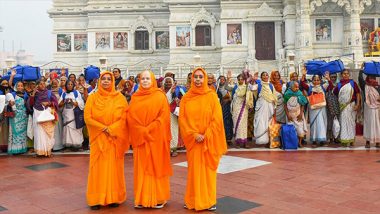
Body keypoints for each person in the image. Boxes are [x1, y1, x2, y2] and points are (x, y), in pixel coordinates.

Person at [179, 67, 227, 211]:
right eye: (196, 77)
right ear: (192, 79)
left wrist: (206, 134)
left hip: (208, 140)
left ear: (205, 79)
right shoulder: (186, 98)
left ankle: (208, 200)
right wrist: (194, 134)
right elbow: (183, 119)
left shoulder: (211, 96)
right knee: (194, 172)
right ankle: (193, 200)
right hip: (193, 141)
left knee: (207, 172)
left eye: (200, 77)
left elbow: (217, 118)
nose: (198, 80)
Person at [127, 70, 172, 209]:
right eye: (142, 79)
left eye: (148, 78)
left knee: (155, 166)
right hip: (141, 139)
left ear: (153, 80)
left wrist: (149, 128)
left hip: (155, 138)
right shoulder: (135, 97)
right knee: (142, 168)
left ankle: (158, 197)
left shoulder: (160, 96)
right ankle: (142, 198)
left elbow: (163, 116)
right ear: (139, 81)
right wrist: (141, 130)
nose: (145, 81)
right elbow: (131, 117)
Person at [85, 71, 128, 210]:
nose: (106, 81)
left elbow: (124, 118)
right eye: (103, 79)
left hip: (113, 138)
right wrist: (103, 128)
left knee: (113, 168)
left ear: (113, 81)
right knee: (97, 168)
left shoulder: (119, 98)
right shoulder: (92, 98)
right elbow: (88, 117)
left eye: (109, 79)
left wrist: (112, 129)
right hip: (99, 138)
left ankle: (113, 197)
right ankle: (96, 199)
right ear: (99, 81)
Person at [301, 72, 332, 147]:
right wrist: (303, 75)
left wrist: (328, 79)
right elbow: (302, 84)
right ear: (312, 81)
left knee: (322, 123)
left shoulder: (323, 87)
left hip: (322, 108)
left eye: (318, 80)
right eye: (314, 80)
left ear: (320, 81)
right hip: (313, 109)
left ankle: (322, 140)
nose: (316, 81)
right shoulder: (310, 87)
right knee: (314, 124)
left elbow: (331, 86)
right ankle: (314, 140)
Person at [29, 79, 58, 156]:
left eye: (43, 84)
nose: (42, 85)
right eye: (40, 84)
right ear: (37, 85)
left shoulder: (49, 93)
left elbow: (55, 103)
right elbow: (30, 104)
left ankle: (48, 151)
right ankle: (39, 152)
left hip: (47, 114)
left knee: (47, 133)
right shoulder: (35, 93)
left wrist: (48, 103)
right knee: (38, 132)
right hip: (37, 113)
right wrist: (33, 94)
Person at [333, 69, 361, 147]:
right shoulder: (338, 85)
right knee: (343, 123)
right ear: (341, 75)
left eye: (347, 73)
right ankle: (344, 140)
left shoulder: (352, 83)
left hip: (351, 105)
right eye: (344, 74)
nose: (345, 75)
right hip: (342, 107)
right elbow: (334, 94)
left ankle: (351, 140)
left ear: (349, 75)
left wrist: (358, 104)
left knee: (351, 123)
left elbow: (358, 94)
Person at [252, 72, 277, 147]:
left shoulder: (271, 85)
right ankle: (260, 140)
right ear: (261, 77)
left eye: (266, 75)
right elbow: (251, 89)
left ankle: (268, 141)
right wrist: (253, 80)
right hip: (260, 107)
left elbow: (274, 97)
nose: (265, 76)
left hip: (269, 107)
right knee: (260, 122)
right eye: (263, 75)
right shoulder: (258, 85)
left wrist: (274, 107)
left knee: (268, 123)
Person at [59, 80, 85, 151]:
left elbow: (81, 104)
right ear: (66, 85)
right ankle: (68, 146)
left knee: (75, 130)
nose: (70, 85)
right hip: (66, 114)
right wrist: (64, 102)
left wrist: (72, 102)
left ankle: (77, 146)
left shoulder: (77, 93)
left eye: (71, 84)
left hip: (75, 115)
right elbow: (59, 104)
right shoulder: (63, 94)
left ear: (73, 85)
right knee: (67, 130)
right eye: (68, 84)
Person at [358, 70, 380, 148]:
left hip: (377, 108)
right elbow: (360, 79)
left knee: (377, 124)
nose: (372, 79)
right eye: (370, 77)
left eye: (373, 77)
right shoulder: (365, 86)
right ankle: (368, 142)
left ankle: (378, 142)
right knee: (368, 124)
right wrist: (361, 70)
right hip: (368, 108)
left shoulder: (378, 87)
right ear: (367, 78)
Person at [284, 81, 308, 147]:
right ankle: (293, 143)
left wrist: (301, 114)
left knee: (300, 130)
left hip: (298, 114)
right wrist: (288, 115)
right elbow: (285, 105)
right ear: (291, 87)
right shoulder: (287, 94)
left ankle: (299, 142)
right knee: (291, 130)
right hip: (290, 115)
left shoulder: (300, 93)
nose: (297, 88)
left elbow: (302, 104)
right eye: (295, 87)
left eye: (298, 87)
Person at [7, 81, 28, 154]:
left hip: (23, 116)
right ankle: (14, 149)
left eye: (21, 86)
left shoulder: (25, 95)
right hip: (15, 116)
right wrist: (10, 104)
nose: (20, 87)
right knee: (15, 132)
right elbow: (7, 104)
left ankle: (22, 149)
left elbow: (27, 105)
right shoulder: (12, 94)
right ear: (15, 87)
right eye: (18, 86)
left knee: (22, 133)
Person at [163, 76, 180, 157]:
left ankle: (173, 149)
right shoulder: (160, 91)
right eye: (167, 82)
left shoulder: (175, 91)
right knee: (164, 131)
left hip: (172, 115)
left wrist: (174, 96)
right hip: (163, 115)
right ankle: (166, 149)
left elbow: (180, 100)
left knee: (173, 130)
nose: (168, 83)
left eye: (170, 82)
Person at [231, 74, 249, 148]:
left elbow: (246, 96)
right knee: (237, 124)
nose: (240, 81)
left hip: (243, 107)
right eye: (239, 79)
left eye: (242, 79)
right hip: (236, 108)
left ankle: (244, 142)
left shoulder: (247, 87)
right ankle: (237, 142)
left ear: (244, 80)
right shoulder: (236, 87)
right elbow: (233, 97)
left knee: (244, 124)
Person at [217, 75, 233, 145]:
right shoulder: (216, 88)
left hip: (226, 107)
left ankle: (228, 138)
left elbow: (233, 96)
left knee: (227, 121)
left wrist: (228, 99)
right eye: (220, 79)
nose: (222, 81)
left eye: (223, 80)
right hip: (219, 106)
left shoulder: (228, 88)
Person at [50, 78, 64, 151]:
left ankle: (58, 145)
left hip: (58, 112)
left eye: (56, 82)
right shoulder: (48, 91)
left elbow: (62, 100)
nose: (55, 84)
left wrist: (58, 106)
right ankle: (51, 146)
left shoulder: (61, 90)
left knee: (58, 128)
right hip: (50, 112)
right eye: (53, 82)